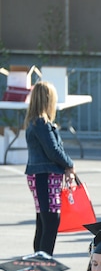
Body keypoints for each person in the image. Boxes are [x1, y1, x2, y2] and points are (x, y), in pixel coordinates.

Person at [24, 80, 75, 255]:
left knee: (44, 220)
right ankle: (43, 266)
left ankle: (39, 264)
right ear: (48, 99)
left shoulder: (34, 122)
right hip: (44, 175)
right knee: (50, 220)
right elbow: (53, 151)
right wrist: (70, 164)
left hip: (41, 175)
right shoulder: (41, 123)